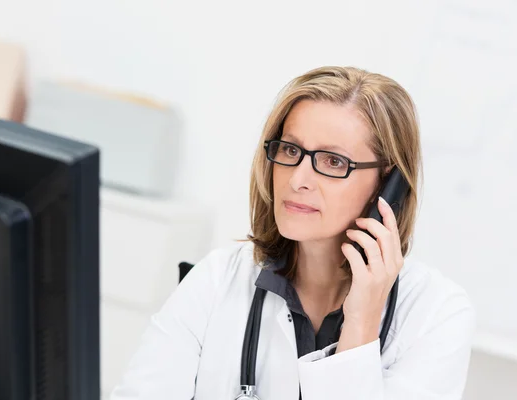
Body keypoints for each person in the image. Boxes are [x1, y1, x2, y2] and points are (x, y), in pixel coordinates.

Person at [110, 66, 476, 400]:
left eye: (334, 161)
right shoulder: (217, 279)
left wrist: (361, 323)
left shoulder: (436, 315)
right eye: (290, 150)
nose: (298, 179)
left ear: (390, 183)